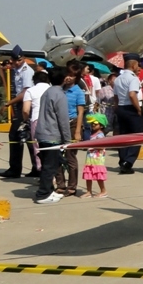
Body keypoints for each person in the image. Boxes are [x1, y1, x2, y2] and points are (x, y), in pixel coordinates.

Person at [33, 67, 71, 204]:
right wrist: (67, 140)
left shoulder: (48, 92)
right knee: (50, 166)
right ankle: (43, 194)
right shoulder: (59, 95)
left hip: (43, 132)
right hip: (52, 135)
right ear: (64, 79)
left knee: (49, 165)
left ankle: (49, 191)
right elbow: (63, 120)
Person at [1, 46, 39, 179]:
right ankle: (36, 167)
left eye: (20, 60)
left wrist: (8, 103)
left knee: (15, 135)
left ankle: (15, 169)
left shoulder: (26, 71)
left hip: (25, 105)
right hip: (20, 104)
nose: (17, 62)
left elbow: (25, 92)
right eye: (15, 60)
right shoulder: (16, 69)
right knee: (28, 137)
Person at [55, 67, 85, 196]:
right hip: (58, 124)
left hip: (72, 124)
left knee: (70, 156)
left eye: (72, 76)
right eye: (67, 74)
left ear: (76, 78)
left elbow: (80, 112)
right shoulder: (59, 89)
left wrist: (78, 131)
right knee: (56, 155)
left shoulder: (78, 91)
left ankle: (72, 186)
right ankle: (60, 184)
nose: (69, 77)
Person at [113, 53, 143, 173]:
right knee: (137, 136)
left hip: (121, 108)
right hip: (131, 108)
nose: (138, 66)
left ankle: (123, 161)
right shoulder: (133, 78)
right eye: (137, 64)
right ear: (133, 64)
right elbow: (132, 94)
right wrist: (138, 108)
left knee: (123, 136)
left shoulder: (118, 79)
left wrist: (117, 107)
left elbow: (115, 96)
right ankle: (129, 161)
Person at [81, 113, 109, 198]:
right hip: (90, 159)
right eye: (92, 123)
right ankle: (88, 191)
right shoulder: (92, 135)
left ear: (101, 125)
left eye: (95, 123)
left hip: (98, 159)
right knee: (88, 175)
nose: (93, 125)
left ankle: (103, 191)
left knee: (98, 176)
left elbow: (102, 146)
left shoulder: (100, 135)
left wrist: (92, 147)